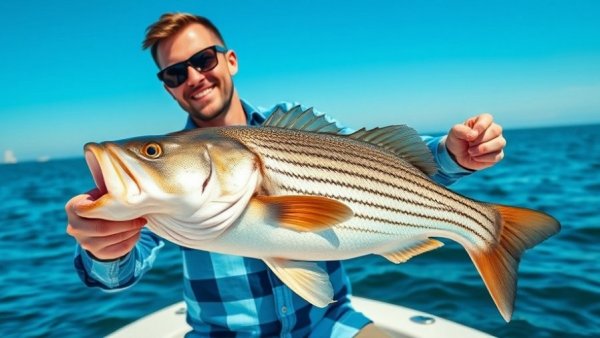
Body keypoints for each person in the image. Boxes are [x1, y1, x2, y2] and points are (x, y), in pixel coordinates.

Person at [66, 13, 506, 337]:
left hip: (328, 324)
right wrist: (104, 249)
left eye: (203, 60)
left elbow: (389, 172)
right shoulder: (163, 203)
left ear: (230, 60)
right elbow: (120, 274)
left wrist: (453, 154)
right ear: (167, 86)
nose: (194, 77)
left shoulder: (300, 133)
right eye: (176, 73)